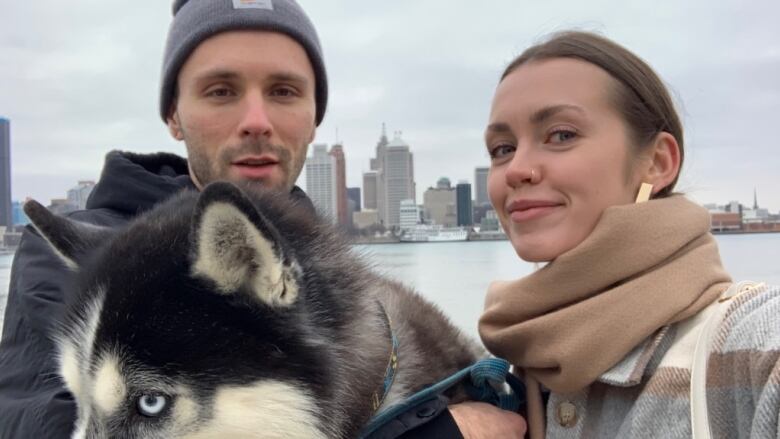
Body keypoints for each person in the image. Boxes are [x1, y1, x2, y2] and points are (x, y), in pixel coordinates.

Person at [0, 1, 525, 438]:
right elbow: (34, 421)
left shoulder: (322, 270)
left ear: (314, 116)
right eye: (221, 90)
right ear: (173, 116)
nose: (257, 121)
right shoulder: (70, 258)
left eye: (283, 91)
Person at [477, 30, 780, 438]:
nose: (516, 169)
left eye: (561, 135)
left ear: (657, 163)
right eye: (502, 148)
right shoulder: (492, 376)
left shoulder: (751, 348)